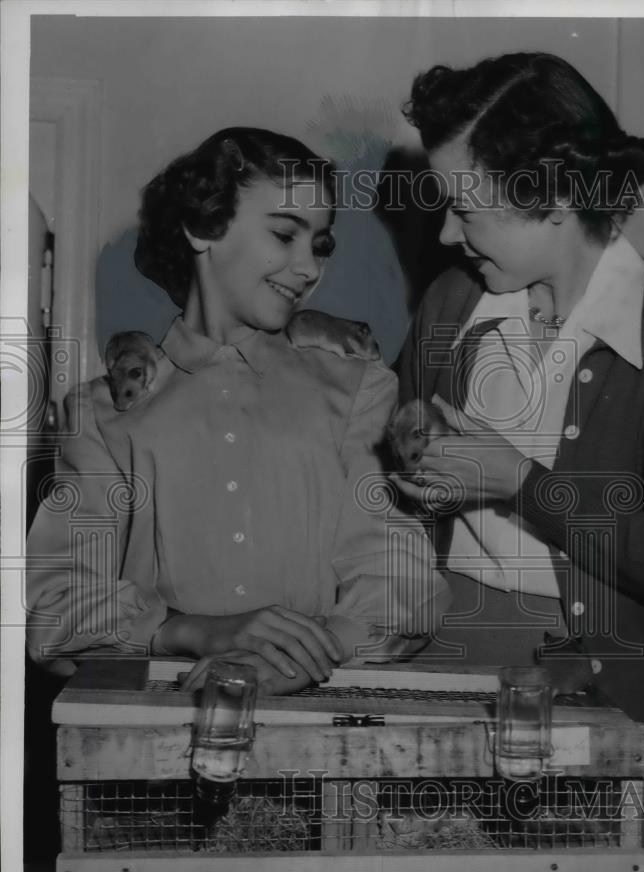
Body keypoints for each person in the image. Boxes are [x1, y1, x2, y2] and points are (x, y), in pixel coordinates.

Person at [392, 53, 644, 755]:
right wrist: (414, 448)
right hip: (435, 643)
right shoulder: (451, 299)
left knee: (560, 869)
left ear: (550, 197)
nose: (446, 236)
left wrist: (523, 485)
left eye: (464, 209)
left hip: (593, 675)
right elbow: (393, 457)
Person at [26, 126, 447, 692]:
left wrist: (300, 655)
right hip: (151, 736)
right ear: (203, 227)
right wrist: (194, 631)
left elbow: (401, 576)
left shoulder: (358, 390)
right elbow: (53, 601)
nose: (308, 268)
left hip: (326, 723)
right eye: (283, 234)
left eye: (319, 245)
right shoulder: (102, 413)